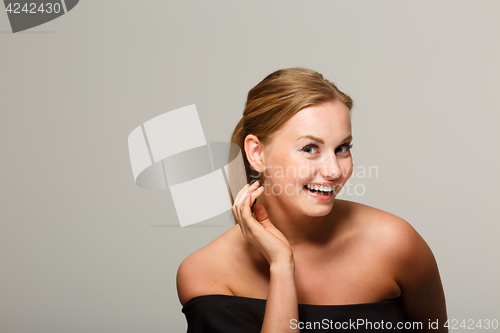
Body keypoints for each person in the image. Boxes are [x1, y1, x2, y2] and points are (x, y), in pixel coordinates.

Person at [177, 68, 447, 332]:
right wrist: (281, 266)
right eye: (310, 148)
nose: (334, 171)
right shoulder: (205, 273)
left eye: (342, 148)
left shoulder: (395, 243)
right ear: (257, 153)